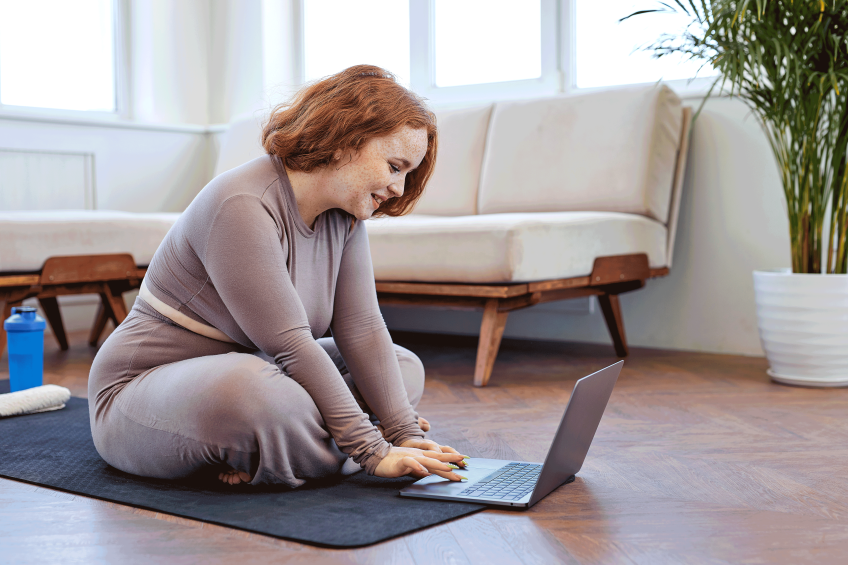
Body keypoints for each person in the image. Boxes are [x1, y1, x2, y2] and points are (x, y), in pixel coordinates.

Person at [88, 65, 468, 487]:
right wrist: (373, 451)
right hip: (140, 392)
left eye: (407, 174)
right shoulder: (240, 203)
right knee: (256, 394)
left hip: (262, 368)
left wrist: (406, 434)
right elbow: (290, 346)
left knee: (402, 366)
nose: (399, 188)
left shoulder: (345, 216)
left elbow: (361, 328)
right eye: (395, 166)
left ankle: (273, 451)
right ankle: (321, 448)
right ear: (346, 139)